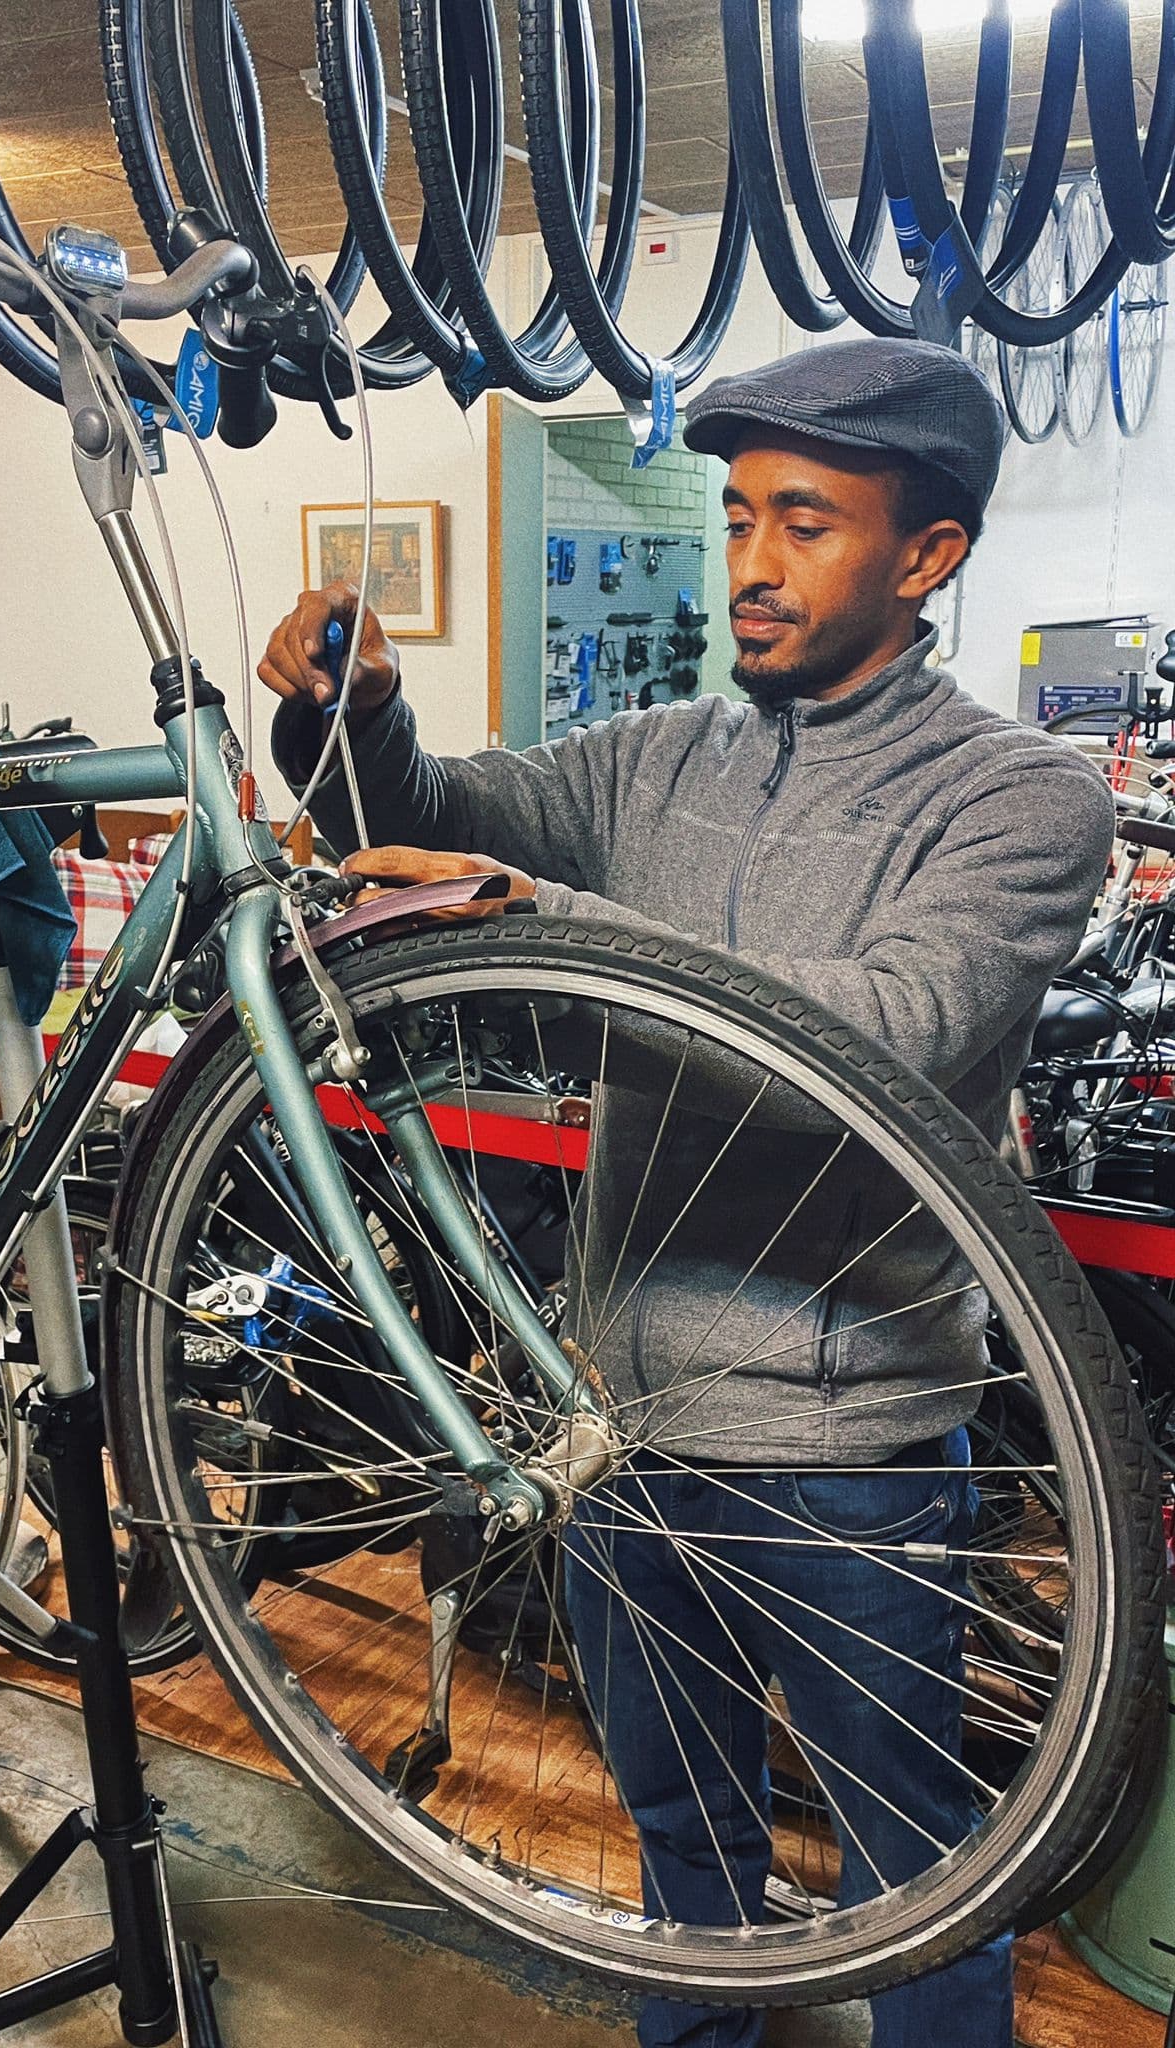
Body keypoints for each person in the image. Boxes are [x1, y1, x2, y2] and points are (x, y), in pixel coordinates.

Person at [257, 338, 1115, 2048]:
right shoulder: (661, 756)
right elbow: (434, 815)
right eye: (735, 520)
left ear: (929, 554)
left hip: (846, 1450)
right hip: (620, 1428)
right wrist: (353, 716)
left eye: (805, 522)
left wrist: (552, 925)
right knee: (680, 1844)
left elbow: (883, 1034)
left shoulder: (1022, 796)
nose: (751, 564)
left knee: (921, 1877)